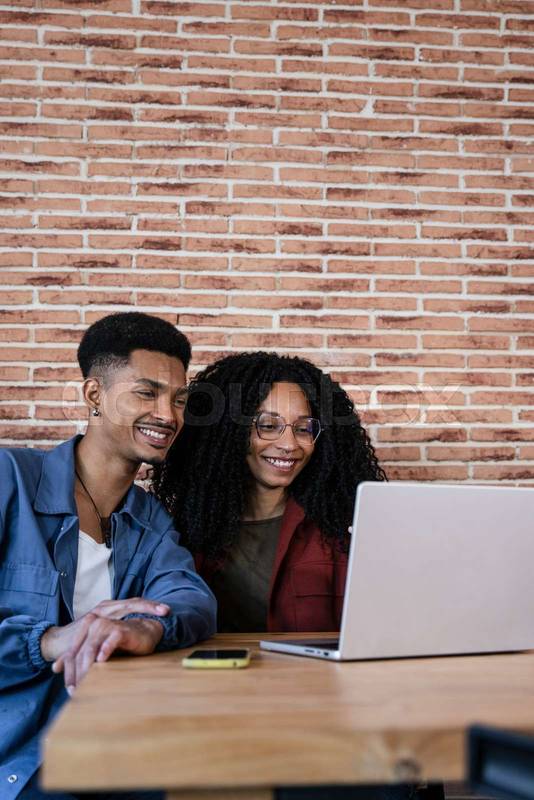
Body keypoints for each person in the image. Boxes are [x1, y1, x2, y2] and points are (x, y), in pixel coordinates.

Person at [0, 312, 217, 800]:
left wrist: (147, 626)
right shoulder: (8, 479)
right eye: (147, 393)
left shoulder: (148, 518)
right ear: (94, 395)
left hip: (111, 749)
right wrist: (51, 641)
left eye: (179, 399)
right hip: (18, 763)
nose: (168, 415)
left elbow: (191, 597)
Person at [152, 351, 385, 633]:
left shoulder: (343, 531)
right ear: (229, 432)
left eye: (303, 429)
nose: (289, 444)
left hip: (316, 678)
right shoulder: (181, 531)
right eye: (267, 426)